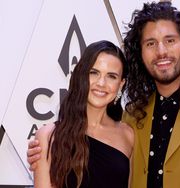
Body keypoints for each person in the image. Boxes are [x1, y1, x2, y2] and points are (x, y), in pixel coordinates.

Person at [27, 1, 180, 188]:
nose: (161, 51)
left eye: (170, 41)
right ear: (140, 53)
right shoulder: (133, 116)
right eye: (151, 43)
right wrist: (46, 149)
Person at [32, 40, 134, 188]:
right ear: (81, 75)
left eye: (111, 76)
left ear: (121, 84)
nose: (101, 83)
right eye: (94, 73)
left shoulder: (128, 135)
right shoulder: (48, 136)